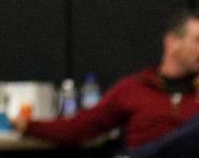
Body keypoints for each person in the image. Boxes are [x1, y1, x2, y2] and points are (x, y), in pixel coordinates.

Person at [15, 10, 199, 155]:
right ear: (172, 42)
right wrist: (30, 126)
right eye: (197, 40)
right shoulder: (136, 87)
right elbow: (83, 126)